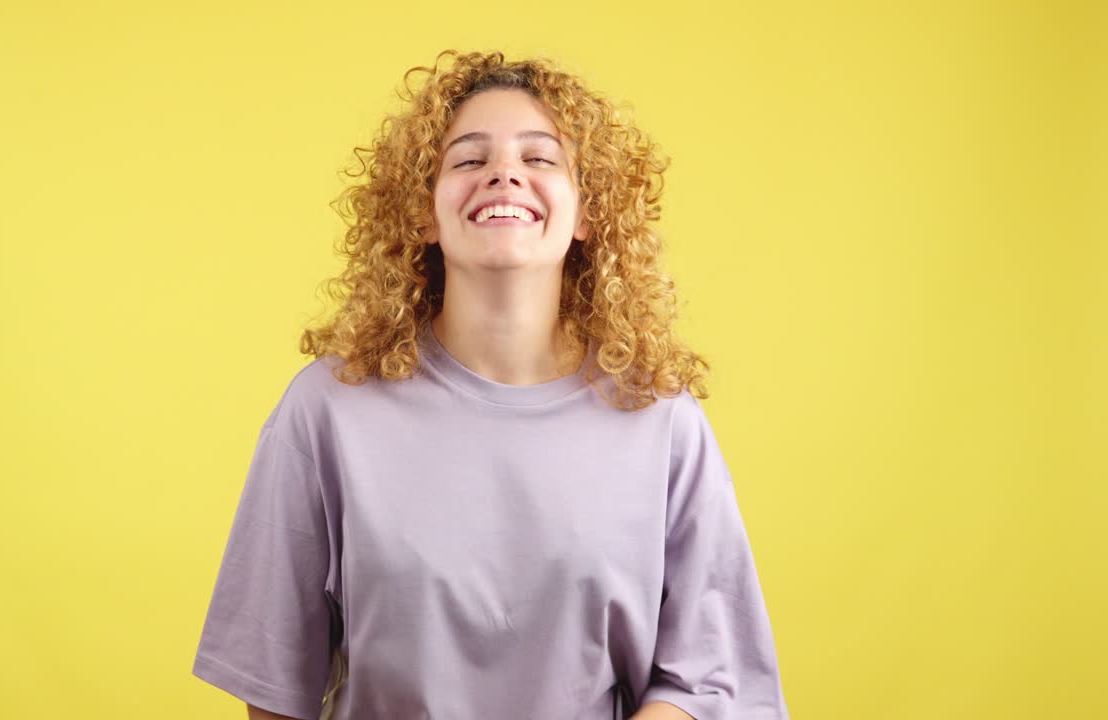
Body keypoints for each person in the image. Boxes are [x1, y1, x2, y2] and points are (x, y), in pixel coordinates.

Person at [191, 49, 790, 720]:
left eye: (540, 159)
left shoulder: (660, 419)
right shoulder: (327, 408)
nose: (505, 173)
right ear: (423, 214)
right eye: (469, 160)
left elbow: (707, 681)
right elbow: (274, 686)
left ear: (587, 214)